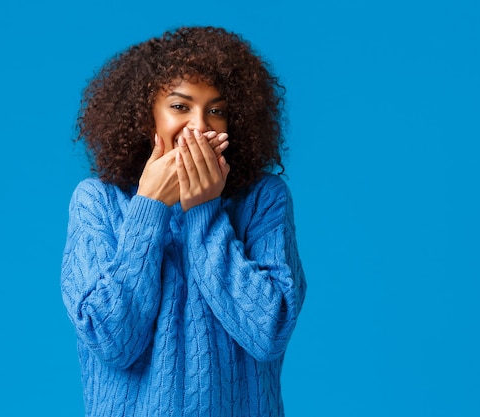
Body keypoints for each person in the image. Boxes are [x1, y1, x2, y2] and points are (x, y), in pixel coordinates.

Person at [61, 26, 306, 417]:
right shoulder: (98, 201)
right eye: (180, 106)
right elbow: (111, 340)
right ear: (146, 118)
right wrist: (150, 207)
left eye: (216, 110)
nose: (200, 125)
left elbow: (268, 333)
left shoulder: (263, 199)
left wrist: (204, 211)